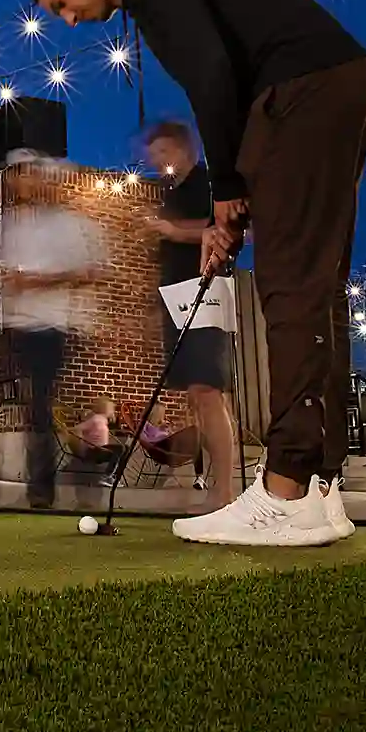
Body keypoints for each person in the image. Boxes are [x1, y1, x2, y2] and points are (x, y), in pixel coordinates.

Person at [25, 0, 366, 547]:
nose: (70, 22)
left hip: (302, 90)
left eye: (59, 4)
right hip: (336, 84)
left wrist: (224, 194)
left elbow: (210, 72)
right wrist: (234, 199)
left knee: (291, 284)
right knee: (320, 287)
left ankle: (286, 488)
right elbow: (227, 74)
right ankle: (323, 488)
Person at [140, 120, 240, 514]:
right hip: (177, 298)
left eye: (164, 151)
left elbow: (223, 229)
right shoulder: (173, 191)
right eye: (154, 154)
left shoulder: (206, 183)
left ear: (184, 149)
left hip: (203, 295)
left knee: (208, 392)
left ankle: (225, 491)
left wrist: (169, 229)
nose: (158, 160)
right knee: (199, 397)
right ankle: (220, 488)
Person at [0, 149, 103, 510]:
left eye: (27, 173)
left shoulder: (65, 224)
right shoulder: (11, 225)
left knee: (42, 404)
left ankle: (45, 487)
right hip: (19, 326)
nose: (20, 180)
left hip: (52, 326)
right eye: (15, 174)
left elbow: (86, 273)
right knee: (34, 406)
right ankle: (43, 482)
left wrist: (35, 281)